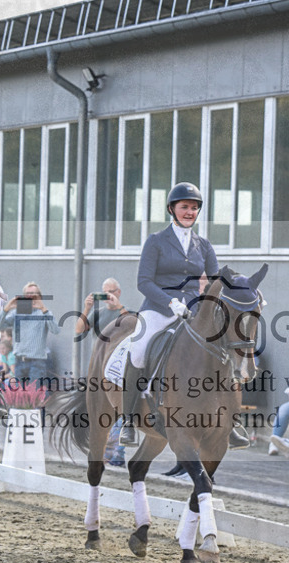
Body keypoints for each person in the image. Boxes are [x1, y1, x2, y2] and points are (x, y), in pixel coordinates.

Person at [119, 181, 248, 450]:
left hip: (194, 311)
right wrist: (170, 302)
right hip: (157, 308)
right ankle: (128, 421)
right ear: (172, 209)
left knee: (222, 349)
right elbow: (143, 282)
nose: (189, 212)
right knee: (139, 350)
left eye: (194, 208)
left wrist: (241, 286)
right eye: (184, 207)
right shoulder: (156, 242)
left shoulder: (203, 245)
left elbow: (215, 281)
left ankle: (230, 421)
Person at [76, 277, 131, 467]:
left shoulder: (125, 313)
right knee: (99, 411)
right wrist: (87, 308)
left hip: (118, 370)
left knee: (119, 411)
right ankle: (103, 451)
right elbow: (78, 330)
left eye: (112, 292)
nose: (108, 296)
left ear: (119, 292)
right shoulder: (98, 314)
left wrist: (120, 306)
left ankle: (118, 452)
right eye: (104, 292)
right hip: (98, 368)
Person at [0, 281, 59, 388]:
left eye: (34, 293)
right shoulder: (16, 313)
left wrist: (44, 309)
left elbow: (56, 330)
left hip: (37, 362)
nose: (31, 296)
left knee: (34, 396)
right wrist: (6, 309)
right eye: (28, 294)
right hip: (19, 362)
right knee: (20, 397)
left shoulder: (44, 313)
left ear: (40, 296)